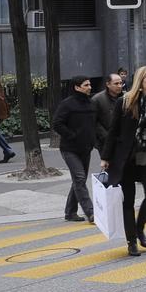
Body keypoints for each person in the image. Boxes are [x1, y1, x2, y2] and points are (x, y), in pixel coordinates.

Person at [100, 66, 146, 256]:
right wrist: (105, 157)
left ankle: (140, 228)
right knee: (127, 200)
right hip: (126, 157)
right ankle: (131, 241)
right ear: (141, 80)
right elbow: (113, 131)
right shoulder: (125, 101)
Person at [52, 75, 98, 224]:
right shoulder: (67, 104)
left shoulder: (91, 103)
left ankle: (70, 212)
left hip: (86, 148)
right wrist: (71, 136)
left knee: (79, 180)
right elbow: (57, 123)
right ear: (77, 87)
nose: (89, 87)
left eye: (89, 84)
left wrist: (93, 142)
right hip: (69, 149)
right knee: (79, 178)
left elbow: (94, 126)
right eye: (86, 85)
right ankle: (91, 212)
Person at [91, 71, 125, 158]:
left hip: (124, 139)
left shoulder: (126, 97)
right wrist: (106, 137)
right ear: (108, 84)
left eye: (121, 83)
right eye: (116, 83)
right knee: (110, 166)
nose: (119, 86)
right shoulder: (97, 99)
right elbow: (94, 122)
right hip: (105, 141)